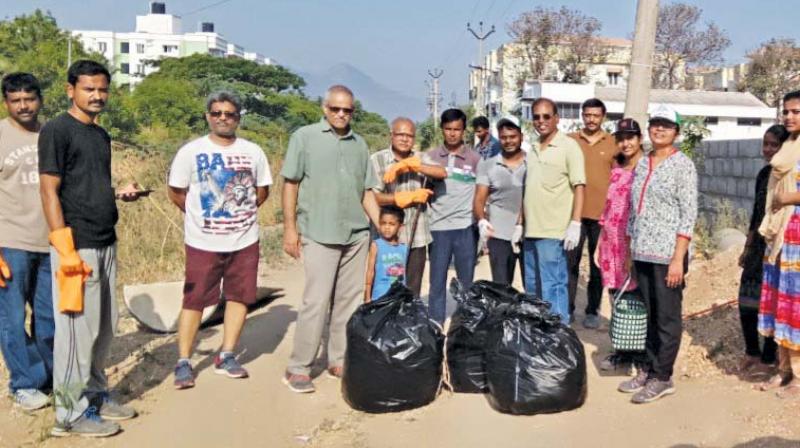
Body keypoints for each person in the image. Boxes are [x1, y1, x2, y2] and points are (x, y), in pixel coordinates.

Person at [39, 60, 142, 437]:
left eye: (102, 89)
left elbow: (86, 184)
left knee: (103, 328)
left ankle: (96, 393)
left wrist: (119, 194)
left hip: (105, 241)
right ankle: (69, 411)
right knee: (75, 333)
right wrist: (64, 248)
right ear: (70, 90)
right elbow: (49, 190)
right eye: (89, 89)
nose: (97, 96)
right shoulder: (56, 130)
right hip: (75, 247)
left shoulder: (99, 134)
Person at [168, 91, 271, 390]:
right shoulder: (191, 152)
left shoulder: (253, 151)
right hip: (203, 241)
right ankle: (184, 361)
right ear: (207, 116)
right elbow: (177, 191)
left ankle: (226, 354)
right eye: (217, 113)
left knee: (240, 297)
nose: (223, 118)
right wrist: (200, 217)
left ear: (238, 117)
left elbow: (261, 191)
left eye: (229, 114)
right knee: (195, 300)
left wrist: (240, 215)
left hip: (244, 239)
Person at [282, 85, 380, 394]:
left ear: (353, 112)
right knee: (317, 300)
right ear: (325, 108)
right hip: (318, 232)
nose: (341, 114)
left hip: (355, 234)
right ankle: (299, 367)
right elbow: (291, 184)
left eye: (347, 110)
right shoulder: (305, 137)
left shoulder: (360, 144)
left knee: (348, 303)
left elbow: (366, 191)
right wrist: (289, 228)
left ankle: (338, 359)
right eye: (335, 109)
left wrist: (381, 227)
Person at [619, 105, 697, 404]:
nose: (659, 129)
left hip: (667, 255)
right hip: (642, 252)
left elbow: (688, 215)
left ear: (676, 131)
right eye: (655, 124)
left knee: (667, 317)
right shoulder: (643, 163)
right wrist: (629, 250)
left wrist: (679, 258)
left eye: (666, 125)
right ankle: (649, 369)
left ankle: (663, 377)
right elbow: (633, 210)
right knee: (649, 316)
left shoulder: (683, 165)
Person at [0, 73, 53, 411]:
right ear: (6, 102)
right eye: (16, 100)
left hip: (52, 242)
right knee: (12, 316)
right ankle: (23, 382)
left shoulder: (51, 135)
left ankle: (47, 377)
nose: (24, 106)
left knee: (50, 316)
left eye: (29, 98)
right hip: (10, 240)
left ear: (40, 100)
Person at [522, 98, 585, 323]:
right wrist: (521, 224)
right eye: (536, 117)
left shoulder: (569, 147)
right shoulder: (532, 149)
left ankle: (559, 341)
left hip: (553, 231)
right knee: (533, 287)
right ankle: (539, 337)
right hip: (531, 232)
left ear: (556, 118)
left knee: (553, 286)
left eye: (546, 116)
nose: (541, 121)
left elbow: (579, 186)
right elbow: (528, 189)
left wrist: (575, 223)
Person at [370, 117, 445, 297]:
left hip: (416, 235)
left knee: (412, 288)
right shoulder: (377, 159)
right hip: (387, 237)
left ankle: (407, 323)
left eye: (409, 136)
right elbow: (371, 197)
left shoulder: (420, 158)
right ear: (391, 135)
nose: (405, 139)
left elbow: (442, 172)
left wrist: (413, 165)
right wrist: (400, 198)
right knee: (383, 284)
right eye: (400, 134)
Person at [736, 125, 788, 379]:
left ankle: (769, 359)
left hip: (779, 246)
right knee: (746, 300)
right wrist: (747, 247)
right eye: (765, 144)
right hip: (758, 245)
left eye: (773, 145)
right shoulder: (763, 174)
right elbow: (756, 214)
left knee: (772, 303)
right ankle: (751, 352)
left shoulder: (789, 176)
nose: (767, 149)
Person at [757, 90, 800, 398]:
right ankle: (783, 369)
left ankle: (798, 377)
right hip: (781, 236)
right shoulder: (788, 146)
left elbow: (786, 193)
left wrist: (791, 197)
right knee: (781, 303)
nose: (789, 117)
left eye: (796, 111)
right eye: (786, 112)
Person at [593, 118, 644, 371]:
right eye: (621, 138)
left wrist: (632, 249)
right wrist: (599, 243)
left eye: (630, 137)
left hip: (632, 243)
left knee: (636, 298)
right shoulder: (616, 169)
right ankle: (622, 350)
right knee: (616, 297)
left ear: (640, 139)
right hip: (610, 243)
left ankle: (640, 353)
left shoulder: (645, 169)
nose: (626, 143)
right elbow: (608, 207)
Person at [426, 109, 481, 324]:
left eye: (457, 129)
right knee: (437, 281)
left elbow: (481, 193)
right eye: (448, 129)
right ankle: (435, 323)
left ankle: (463, 324)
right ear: (442, 130)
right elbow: (426, 190)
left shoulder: (475, 159)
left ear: (464, 131)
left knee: (466, 281)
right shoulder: (430, 158)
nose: (452, 134)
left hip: (466, 228)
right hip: (438, 228)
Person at [567, 98, 619, 328]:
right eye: (587, 114)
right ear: (582, 115)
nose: (591, 119)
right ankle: (567, 309)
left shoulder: (613, 143)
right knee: (570, 263)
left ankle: (592, 310)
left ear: (603, 117)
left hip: (602, 217)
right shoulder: (570, 141)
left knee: (598, 265)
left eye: (595, 115)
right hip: (574, 215)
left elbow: (620, 179)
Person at [474, 115, 526, 285]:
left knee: (533, 287)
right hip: (499, 235)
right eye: (504, 137)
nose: (508, 141)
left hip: (529, 233)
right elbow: (479, 199)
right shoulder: (487, 165)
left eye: (513, 136)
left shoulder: (533, 163)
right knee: (501, 287)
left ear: (521, 137)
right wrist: (481, 221)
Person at [365, 206, 408, 302]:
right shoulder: (376, 245)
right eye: (383, 223)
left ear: (400, 227)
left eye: (392, 224)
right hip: (380, 296)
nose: (387, 227)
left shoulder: (404, 248)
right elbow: (370, 272)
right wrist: (367, 297)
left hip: (398, 296)